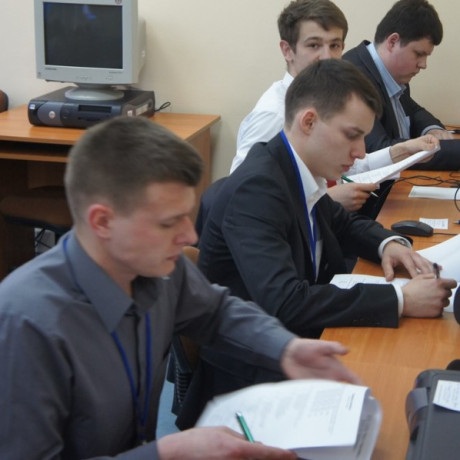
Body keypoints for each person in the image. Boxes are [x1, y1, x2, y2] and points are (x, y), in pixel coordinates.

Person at [0, 116, 360, 459]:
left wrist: (285, 348)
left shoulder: (159, 268)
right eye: (169, 222)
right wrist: (168, 453)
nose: (189, 236)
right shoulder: (28, 324)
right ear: (103, 222)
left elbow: (216, 312)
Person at [176, 59, 457, 428]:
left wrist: (389, 244)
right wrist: (400, 299)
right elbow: (285, 301)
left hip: (300, 345)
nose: (361, 151)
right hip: (252, 378)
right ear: (308, 122)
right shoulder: (258, 188)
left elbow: (342, 222)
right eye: (352, 135)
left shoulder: (294, 168)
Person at [230, 0, 440, 213]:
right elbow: (242, 199)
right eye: (314, 45)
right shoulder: (274, 114)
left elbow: (349, 165)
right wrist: (326, 200)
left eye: (335, 46)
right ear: (287, 50)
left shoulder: (326, 98)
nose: (327, 57)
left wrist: (402, 150)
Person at [343, 0, 460, 169]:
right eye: (418, 54)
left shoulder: (393, 73)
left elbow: (413, 111)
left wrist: (431, 130)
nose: (423, 65)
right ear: (392, 42)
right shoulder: (353, 79)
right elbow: (381, 151)